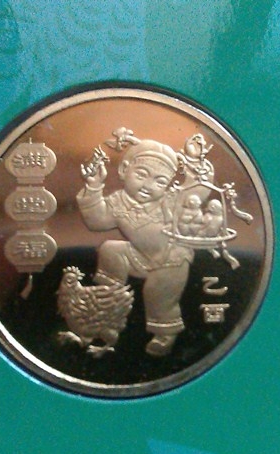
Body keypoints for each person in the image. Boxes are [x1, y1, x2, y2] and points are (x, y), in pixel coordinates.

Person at [76, 139, 193, 357]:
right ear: (123, 170)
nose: (148, 186)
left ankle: (165, 334)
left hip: (170, 260)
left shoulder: (169, 201)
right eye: (141, 175)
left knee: (158, 296)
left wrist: (196, 167)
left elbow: (196, 192)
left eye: (160, 181)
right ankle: (109, 298)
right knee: (111, 249)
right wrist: (93, 187)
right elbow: (96, 222)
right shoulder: (118, 201)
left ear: (168, 186)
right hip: (139, 255)